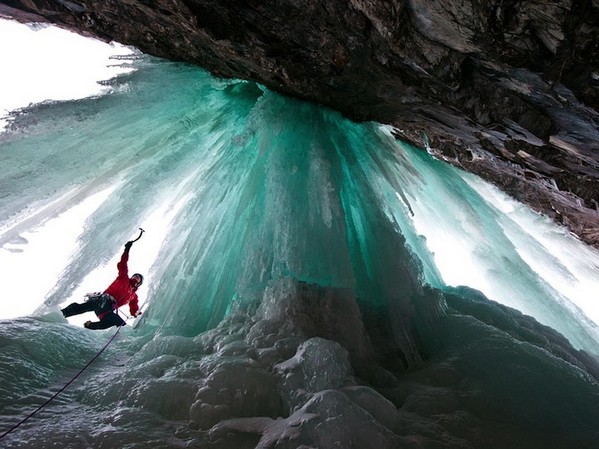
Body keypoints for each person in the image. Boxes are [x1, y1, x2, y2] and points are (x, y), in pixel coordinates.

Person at [61, 240, 143, 329]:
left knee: (119, 324)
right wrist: (127, 250)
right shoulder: (124, 278)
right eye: (135, 275)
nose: (136, 277)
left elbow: (134, 309)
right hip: (103, 300)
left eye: (138, 277)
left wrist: (139, 315)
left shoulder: (133, 296)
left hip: (106, 311)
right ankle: (62, 313)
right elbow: (123, 264)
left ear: (139, 283)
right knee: (83, 307)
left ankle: (89, 326)